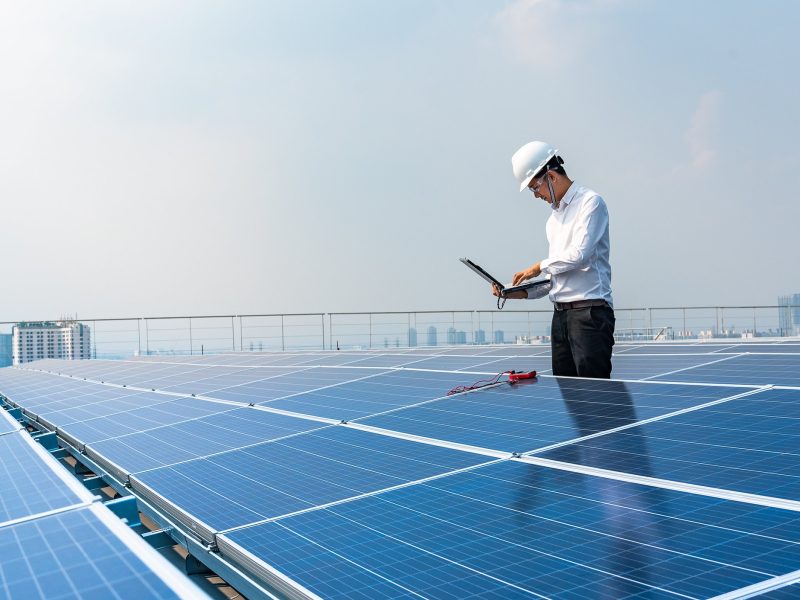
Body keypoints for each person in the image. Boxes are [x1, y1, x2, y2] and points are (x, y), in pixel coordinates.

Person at [493, 141, 615, 378]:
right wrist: (513, 292)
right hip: (561, 318)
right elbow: (554, 278)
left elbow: (579, 255)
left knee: (595, 397)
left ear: (551, 176)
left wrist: (538, 266)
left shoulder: (590, 203)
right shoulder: (553, 220)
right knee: (568, 395)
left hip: (589, 314)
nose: (535, 195)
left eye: (534, 188)